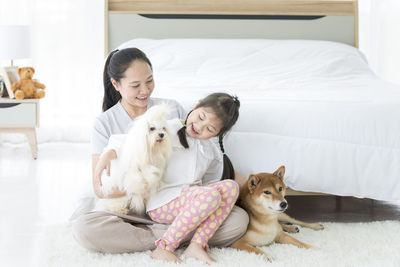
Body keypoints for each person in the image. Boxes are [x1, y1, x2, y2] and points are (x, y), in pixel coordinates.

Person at [71, 49, 249, 257]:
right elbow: (102, 191)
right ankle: (173, 237)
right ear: (116, 84)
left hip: (181, 205)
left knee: (239, 219)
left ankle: (167, 236)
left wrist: (250, 195)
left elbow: (206, 157)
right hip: (132, 212)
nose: (145, 91)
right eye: (135, 85)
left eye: (149, 81)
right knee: (84, 228)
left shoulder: (171, 110)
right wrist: (144, 182)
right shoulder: (105, 123)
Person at [101, 93, 245, 264]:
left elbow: (212, 183)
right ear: (197, 104)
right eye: (200, 117)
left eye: (210, 129)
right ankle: (164, 247)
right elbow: (130, 139)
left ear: (218, 134)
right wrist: (108, 154)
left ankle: (196, 245)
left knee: (231, 187)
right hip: (163, 201)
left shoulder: (211, 152)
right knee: (211, 196)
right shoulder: (166, 128)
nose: (199, 127)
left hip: (192, 201)